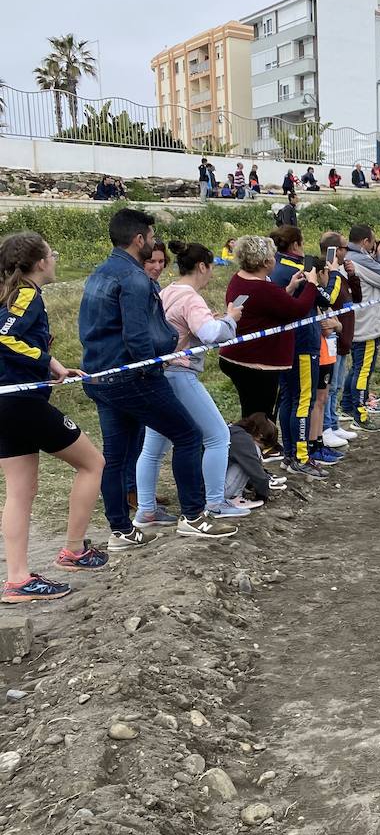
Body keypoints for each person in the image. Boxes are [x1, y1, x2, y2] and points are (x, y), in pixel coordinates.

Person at [77, 208, 233, 547]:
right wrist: (158, 358)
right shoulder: (134, 279)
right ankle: (193, 516)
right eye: (149, 237)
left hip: (100, 376)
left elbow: (89, 328)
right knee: (189, 435)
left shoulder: (100, 272)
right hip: (134, 376)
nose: (152, 243)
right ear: (138, 240)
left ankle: (120, 531)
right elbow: (138, 337)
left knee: (116, 456)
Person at [0, 231, 108, 603]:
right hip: (21, 404)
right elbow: (2, 338)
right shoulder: (27, 295)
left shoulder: (13, 294)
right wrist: (46, 361)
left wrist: (52, 368)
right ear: (40, 263)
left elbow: (15, 343)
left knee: (20, 491)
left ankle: (17, 580)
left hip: (8, 401)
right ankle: (74, 550)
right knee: (93, 463)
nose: (56, 259)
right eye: (53, 253)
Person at [135, 241, 245, 524]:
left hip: (159, 374)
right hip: (181, 374)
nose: (210, 276)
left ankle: (146, 509)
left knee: (153, 447)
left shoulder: (166, 290)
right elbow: (209, 333)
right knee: (218, 436)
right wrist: (230, 321)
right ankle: (215, 502)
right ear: (202, 267)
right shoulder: (191, 297)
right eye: (210, 270)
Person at [220, 234, 317, 425]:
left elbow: (264, 305)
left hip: (236, 355)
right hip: (256, 362)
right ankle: (259, 448)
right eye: (273, 257)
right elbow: (298, 310)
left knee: (250, 410)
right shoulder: (263, 288)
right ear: (265, 262)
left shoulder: (239, 279)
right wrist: (312, 284)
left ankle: (251, 447)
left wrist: (288, 289)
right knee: (261, 414)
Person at [268, 226, 332, 478]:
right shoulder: (300, 269)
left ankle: (289, 454)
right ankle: (301, 457)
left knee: (287, 398)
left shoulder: (274, 266)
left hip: (285, 343)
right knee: (303, 400)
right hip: (304, 342)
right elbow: (324, 299)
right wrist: (325, 279)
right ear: (296, 244)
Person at [341, 224, 380, 432]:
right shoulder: (361, 260)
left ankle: (347, 405)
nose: (375, 245)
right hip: (367, 325)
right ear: (365, 242)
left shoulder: (348, 257)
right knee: (363, 370)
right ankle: (360, 414)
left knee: (356, 368)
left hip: (356, 323)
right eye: (373, 242)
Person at [317, 233, 360, 449]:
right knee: (330, 386)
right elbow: (328, 300)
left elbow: (356, 298)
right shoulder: (327, 274)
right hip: (332, 337)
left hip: (344, 337)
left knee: (338, 384)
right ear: (335, 250)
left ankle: (333, 423)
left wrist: (352, 276)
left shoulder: (340, 276)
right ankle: (326, 427)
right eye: (344, 248)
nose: (347, 252)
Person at [225, 412, 277, 508]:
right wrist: (262, 495)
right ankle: (235, 497)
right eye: (263, 447)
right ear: (260, 436)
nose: (262, 451)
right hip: (221, 491)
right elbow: (258, 475)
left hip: (205, 487)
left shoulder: (233, 431)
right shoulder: (244, 440)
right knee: (253, 451)